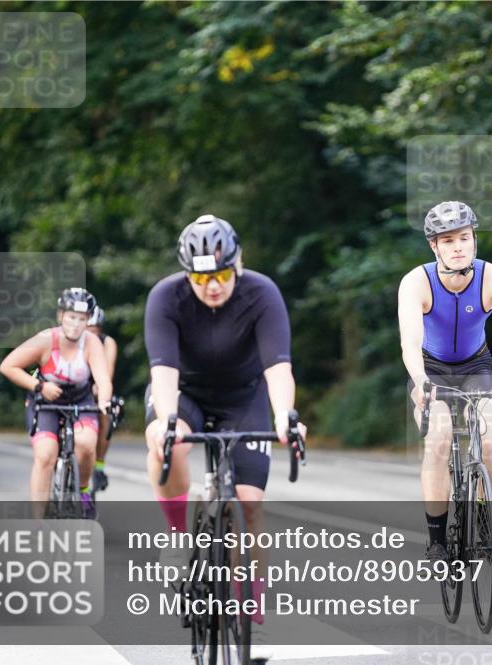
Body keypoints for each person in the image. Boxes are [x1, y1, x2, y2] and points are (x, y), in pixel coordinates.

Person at [143, 214, 305, 624]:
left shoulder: (262, 293)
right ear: (186, 277)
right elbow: (162, 373)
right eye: (200, 280)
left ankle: (249, 595)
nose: (212, 286)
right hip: (185, 394)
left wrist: (286, 417)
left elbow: (277, 368)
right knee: (168, 440)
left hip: (242, 396)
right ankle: (179, 536)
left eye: (220, 275)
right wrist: (167, 420)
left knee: (249, 502)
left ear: (238, 264)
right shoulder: (165, 297)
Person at [397, 201, 492, 568]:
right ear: (434, 246)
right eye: (448, 241)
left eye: (465, 237)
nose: (459, 246)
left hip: (477, 366)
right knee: (438, 438)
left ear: (474, 239)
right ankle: (436, 541)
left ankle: (486, 519)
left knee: (491, 429)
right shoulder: (417, 281)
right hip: (430, 370)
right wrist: (419, 383)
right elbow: (410, 342)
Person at [0, 288, 113, 517]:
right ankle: (38, 520)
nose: (75, 324)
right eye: (71, 317)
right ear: (61, 315)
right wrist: (39, 386)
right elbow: (8, 366)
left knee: (86, 444)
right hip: (45, 401)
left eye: (82, 319)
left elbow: (103, 379)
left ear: (88, 320)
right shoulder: (45, 339)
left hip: (80, 400)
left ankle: (83, 492)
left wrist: (105, 401)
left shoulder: (92, 343)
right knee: (45, 454)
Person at [86, 306, 119, 492]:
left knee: (104, 414)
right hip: (76, 387)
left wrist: (99, 388)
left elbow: (107, 373)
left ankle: (99, 466)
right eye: (87, 330)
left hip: (98, 385)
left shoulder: (107, 343)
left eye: (95, 330)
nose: (91, 334)